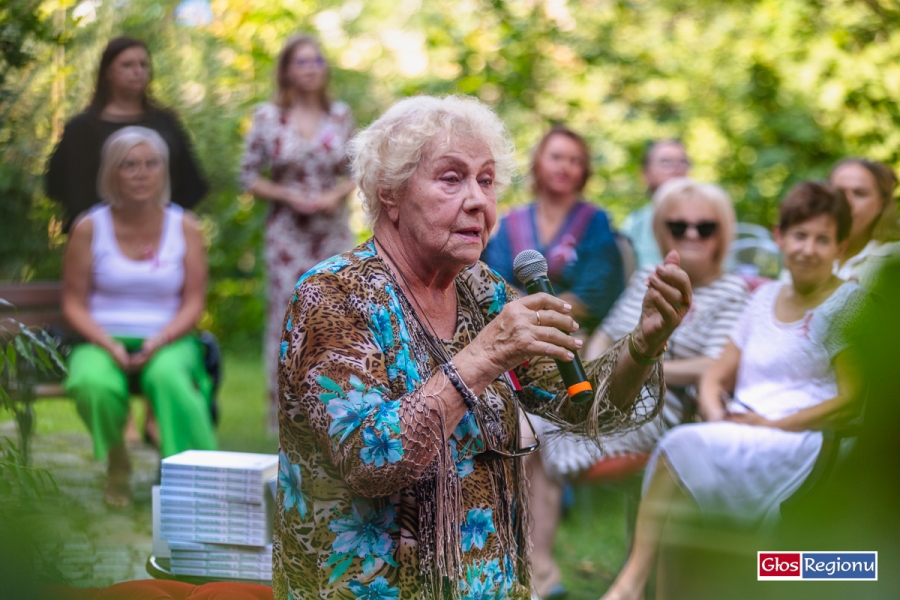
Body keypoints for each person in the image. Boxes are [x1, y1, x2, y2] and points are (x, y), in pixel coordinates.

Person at [272, 95, 693, 599]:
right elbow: (369, 459)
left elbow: (580, 406)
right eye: (452, 178)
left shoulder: (483, 290)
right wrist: (484, 356)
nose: (478, 201)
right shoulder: (333, 295)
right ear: (390, 192)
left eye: (487, 180)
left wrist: (644, 344)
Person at [601, 181, 866, 600]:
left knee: (681, 445)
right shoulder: (764, 300)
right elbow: (714, 376)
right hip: (741, 429)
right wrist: (715, 413)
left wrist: (774, 422)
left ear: (841, 246)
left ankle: (631, 581)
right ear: (780, 237)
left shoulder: (848, 304)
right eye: (799, 236)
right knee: (680, 503)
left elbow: (852, 402)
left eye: (822, 239)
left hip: (802, 442)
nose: (808, 249)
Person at [524, 179, 748, 597]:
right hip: (606, 390)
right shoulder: (650, 276)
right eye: (679, 226)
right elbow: (606, 335)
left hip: (668, 410)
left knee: (543, 436)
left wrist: (644, 362)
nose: (692, 235)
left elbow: (714, 369)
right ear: (663, 230)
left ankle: (543, 573)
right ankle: (540, 570)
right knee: (527, 424)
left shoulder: (732, 290)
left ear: (724, 232)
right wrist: (597, 369)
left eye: (706, 226)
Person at [61, 127, 217, 508]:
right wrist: (107, 342)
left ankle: (194, 480)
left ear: (163, 171)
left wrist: (160, 339)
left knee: (169, 378)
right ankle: (118, 462)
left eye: (151, 164)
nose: (141, 172)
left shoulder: (186, 227)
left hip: (169, 337)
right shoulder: (88, 227)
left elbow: (194, 302)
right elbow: (73, 303)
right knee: (90, 381)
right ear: (112, 172)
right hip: (101, 336)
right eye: (129, 165)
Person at [239, 34, 356, 430]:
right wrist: (286, 194)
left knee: (336, 315)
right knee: (288, 320)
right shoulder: (268, 117)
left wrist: (333, 196)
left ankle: (336, 413)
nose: (310, 68)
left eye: (317, 61)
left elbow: (357, 170)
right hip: (288, 234)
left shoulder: (340, 115)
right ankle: (286, 420)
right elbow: (248, 175)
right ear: (287, 69)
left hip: (331, 231)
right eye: (301, 62)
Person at [46, 36, 208, 232]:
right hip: (98, 237)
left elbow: (189, 181)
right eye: (127, 65)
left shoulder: (165, 123)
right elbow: (58, 186)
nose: (138, 71)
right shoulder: (81, 129)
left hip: (160, 234)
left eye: (143, 65)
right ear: (107, 73)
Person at [481, 125, 624, 333]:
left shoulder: (595, 221)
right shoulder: (512, 221)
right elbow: (495, 278)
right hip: (512, 328)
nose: (564, 167)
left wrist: (541, 314)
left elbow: (596, 289)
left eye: (574, 161)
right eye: (556, 158)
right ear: (538, 163)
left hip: (575, 332)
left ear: (584, 170)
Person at [829, 158, 900, 288]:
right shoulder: (807, 248)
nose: (847, 202)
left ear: (882, 203)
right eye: (838, 193)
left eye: (860, 194)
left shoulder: (894, 257)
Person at [620, 140, 691, 270]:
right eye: (666, 162)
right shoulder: (634, 224)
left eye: (683, 162)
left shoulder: (708, 221)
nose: (677, 169)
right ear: (646, 174)